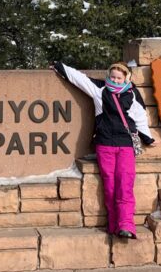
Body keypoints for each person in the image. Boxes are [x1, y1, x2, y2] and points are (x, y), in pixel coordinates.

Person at [52, 61, 155, 239]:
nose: (115, 80)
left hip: (125, 145)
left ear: (126, 78)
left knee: (125, 184)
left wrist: (147, 137)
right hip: (105, 144)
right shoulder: (99, 89)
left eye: (119, 78)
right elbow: (79, 79)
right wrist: (60, 67)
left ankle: (126, 225)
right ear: (108, 76)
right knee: (109, 186)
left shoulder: (132, 93)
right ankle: (114, 225)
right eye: (112, 77)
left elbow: (140, 117)